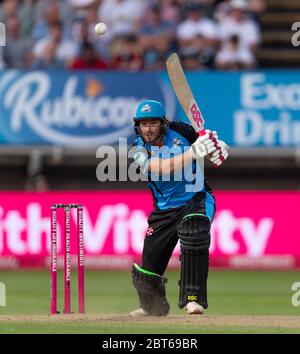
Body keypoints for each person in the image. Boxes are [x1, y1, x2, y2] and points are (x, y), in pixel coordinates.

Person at [129, 100, 229, 316]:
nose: (148, 129)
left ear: (163, 123)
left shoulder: (181, 130)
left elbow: (208, 147)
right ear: (138, 126)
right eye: (143, 124)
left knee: (194, 233)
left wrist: (217, 148)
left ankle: (194, 300)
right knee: (147, 270)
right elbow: (161, 169)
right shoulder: (137, 148)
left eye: (153, 123)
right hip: (164, 210)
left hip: (196, 198)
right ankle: (151, 307)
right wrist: (194, 152)